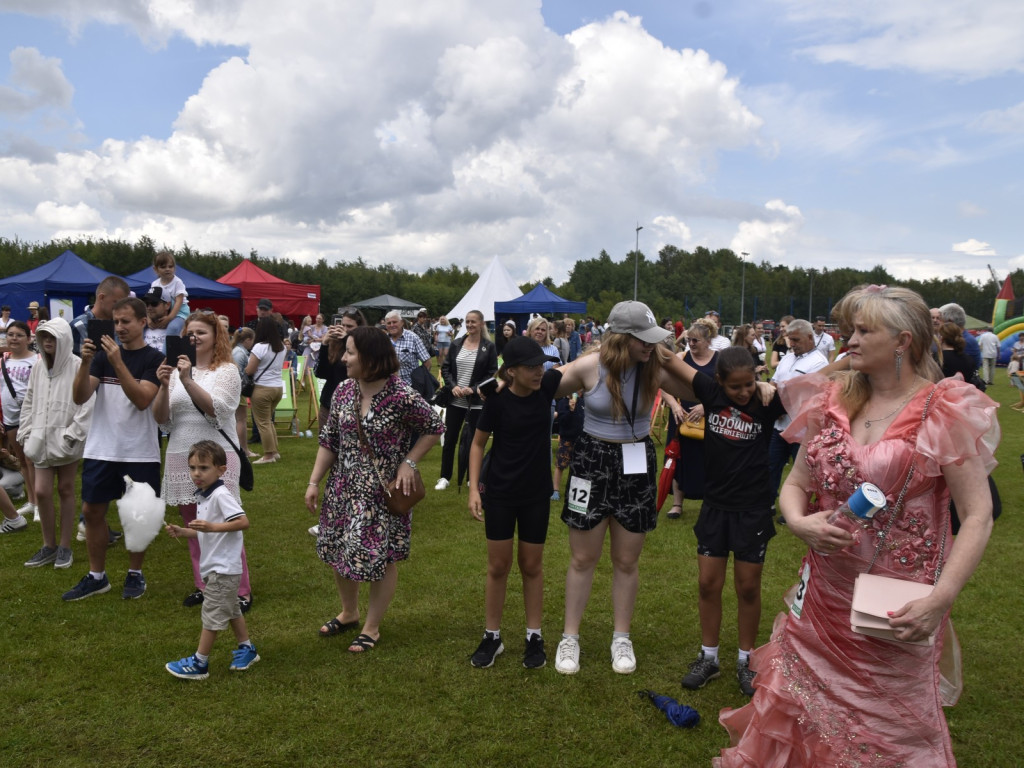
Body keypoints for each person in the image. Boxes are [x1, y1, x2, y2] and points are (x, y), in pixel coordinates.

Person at [714, 285, 998, 767]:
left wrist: (941, 598)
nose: (850, 340)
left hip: (895, 608)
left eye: (865, 331)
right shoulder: (832, 400)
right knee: (799, 713)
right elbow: (795, 482)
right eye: (849, 330)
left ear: (903, 341)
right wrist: (800, 522)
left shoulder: (941, 407)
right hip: (822, 598)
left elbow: (977, 514)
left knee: (888, 734)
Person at [549, 301, 706, 676]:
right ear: (622, 339)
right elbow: (545, 385)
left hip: (636, 464)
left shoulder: (655, 367)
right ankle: (569, 638)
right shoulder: (590, 366)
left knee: (626, 560)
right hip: (590, 462)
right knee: (583, 558)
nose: (650, 346)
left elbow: (703, 390)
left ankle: (622, 637)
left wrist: (675, 363)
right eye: (643, 340)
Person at [304, 326, 443, 653]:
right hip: (343, 486)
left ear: (370, 358)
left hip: (381, 490)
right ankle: (349, 613)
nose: (345, 358)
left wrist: (409, 462)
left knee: (382, 555)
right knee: (339, 549)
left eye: (350, 352)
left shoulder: (401, 394)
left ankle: (372, 627)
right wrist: (313, 481)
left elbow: (434, 427)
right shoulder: (342, 391)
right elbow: (329, 441)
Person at [657, 347, 786, 697]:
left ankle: (746, 660)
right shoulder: (710, 391)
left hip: (753, 509)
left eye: (749, 384)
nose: (743, 392)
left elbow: (819, 383)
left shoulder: (767, 401)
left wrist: (772, 385)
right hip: (716, 507)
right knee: (707, 584)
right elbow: (669, 360)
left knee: (747, 587)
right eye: (735, 387)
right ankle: (709, 658)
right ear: (719, 382)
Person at [466, 336, 562, 669]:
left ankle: (534, 636)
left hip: (536, 493)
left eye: (541, 365)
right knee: (498, 566)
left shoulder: (548, 387)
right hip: (501, 493)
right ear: (513, 371)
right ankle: (492, 636)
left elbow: (579, 367)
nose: (539, 372)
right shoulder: (497, 401)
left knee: (532, 566)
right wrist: (473, 490)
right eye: (532, 367)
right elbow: (477, 445)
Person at [62, 296, 165, 601]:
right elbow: (80, 397)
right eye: (115, 322)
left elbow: (143, 399)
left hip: (139, 449)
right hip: (102, 447)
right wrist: (84, 362)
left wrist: (118, 361)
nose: (119, 327)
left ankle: (135, 573)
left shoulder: (154, 359)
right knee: (91, 510)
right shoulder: (102, 357)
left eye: (125, 322)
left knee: (137, 515)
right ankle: (97, 576)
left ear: (142, 322)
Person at [154, 312, 253, 614]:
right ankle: (204, 585)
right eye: (190, 332)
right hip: (182, 454)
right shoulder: (173, 372)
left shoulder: (226, 370)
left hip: (217, 456)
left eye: (201, 332)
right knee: (193, 524)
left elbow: (218, 411)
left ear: (216, 337)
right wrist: (163, 385)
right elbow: (162, 419)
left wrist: (187, 380)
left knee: (224, 523)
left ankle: (240, 589)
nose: (194, 337)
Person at [164, 440, 259, 679]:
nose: (197, 473)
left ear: (221, 470)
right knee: (231, 609)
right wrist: (184, 531)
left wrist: (211, 526)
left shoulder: (220, 495)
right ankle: (247, 649)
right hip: (216, 567)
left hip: (223, 568)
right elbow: (206, 530)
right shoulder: (204, 496)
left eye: (204, 468)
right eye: (193, 467)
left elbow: (242, 522)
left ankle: (199, 663)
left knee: (212, 614)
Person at [17, 319, 94, 569]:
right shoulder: (39, 367)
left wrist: (73, 433)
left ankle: (64, 547)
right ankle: (48, 545)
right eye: (44, 337)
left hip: (66, 440)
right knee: (40, 491)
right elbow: (29, 399)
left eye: (52, 337)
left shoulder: (76, 365)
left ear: (63, 339)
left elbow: (87, 403)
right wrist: (26, 430)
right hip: (40, 438)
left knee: (66, 489)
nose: (48, 342)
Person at [660, 319, 719, 520]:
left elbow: (724, 390)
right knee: (678, 459)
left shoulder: (719, 360)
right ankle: (677, 504)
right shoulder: (680, 357)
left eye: (696, 340)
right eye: (689, 340)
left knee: (709, 461)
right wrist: (674, 405)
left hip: (709, 419)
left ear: (708, 341)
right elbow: (662, 384)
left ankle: (708, 503)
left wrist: (706, 406)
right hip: (681, 417)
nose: (691, 344)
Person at [767, 320, 829, 508]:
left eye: (796, 339)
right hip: (779, 425)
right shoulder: (787, 358)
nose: (792, 344)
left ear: (810, 338)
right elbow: (774, 384)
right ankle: (766, 504)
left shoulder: (819, 363)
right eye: (790, 339)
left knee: (801, 472)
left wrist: (781, 408)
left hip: (803, 430)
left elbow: (812, 398)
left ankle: (795, 510)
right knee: (770, 466)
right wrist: (770, 405)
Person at [434, 310, 497, 491]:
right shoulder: (456, 344)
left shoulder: (488, 347)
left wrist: (476, 388)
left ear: (481, 324)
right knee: (450, 439)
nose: (470, 325)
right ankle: (445, 476)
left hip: (477, 402)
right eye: (467, 322)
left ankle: (472, 477)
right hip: (455, 400)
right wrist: (453, 385)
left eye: (473, 322)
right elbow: (446, 369)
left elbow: (491, 372)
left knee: (473, 441)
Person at [1, 320, 39, 520]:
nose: (14, 338)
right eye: (10, 334)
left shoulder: (36, 360)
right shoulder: (3, 361)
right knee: (22, 461)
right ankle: (32, 501)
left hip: (31, 417)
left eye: (18, 335)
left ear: (28, 338)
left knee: (32, 460)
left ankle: (40, 504)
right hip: (10, 418)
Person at [245, 316, 286, 464]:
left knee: (262, 422)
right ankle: (274, 452)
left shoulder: (259, 347)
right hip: (277, 387)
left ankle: (268, 455)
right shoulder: (282, 346)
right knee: (268, 421)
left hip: (262, 388)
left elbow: (250, 370)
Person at [69, 276, 131, 356]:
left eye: (123, 304)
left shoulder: (119, 326)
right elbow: (75, 365)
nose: (120, 308)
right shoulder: (79, 326)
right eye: (116, 303)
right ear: (101, 298)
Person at [551, 388, 585, 501]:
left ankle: (575, 493)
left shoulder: (583, 402)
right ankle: (555, 490)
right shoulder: (562, 403)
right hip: (566, 439)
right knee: (560, 465)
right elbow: (562, 421)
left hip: (580, 439)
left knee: (578, 467)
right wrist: (570, 409)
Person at [150, 250, 190, 337]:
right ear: (156, 269)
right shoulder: (155, 284)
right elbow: (150, 303)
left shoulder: (177, 282)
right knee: (140, 324)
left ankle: (167, 350)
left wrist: (169, 318)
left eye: (170, 266)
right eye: (163, 267)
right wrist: (149, 318)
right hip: (164, 313)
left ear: (174, 268)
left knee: (173, 328)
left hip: (179, 313)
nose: (167, 269)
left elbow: (178, 302)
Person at [384, 310, 431, 384]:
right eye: (389, 323)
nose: (392, 325)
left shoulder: (413, 338)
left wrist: (420, 382)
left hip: (410, 386)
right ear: (386, 326)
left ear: (402, 323)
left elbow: (427, 362)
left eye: (394, 322)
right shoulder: (383, 340)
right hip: (388, 386)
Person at [230, 328, 257, 457]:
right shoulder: (240, 353)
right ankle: (243, 449)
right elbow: (238, 374)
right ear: (247, 340)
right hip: (237, 390)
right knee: (241, 420)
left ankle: (241, 448)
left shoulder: (236, 351)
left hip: (236, 389)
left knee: (239, 419)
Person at [939, 302, 981, 370]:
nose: (939, 324)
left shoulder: (965, 342)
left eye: (941, 320)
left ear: (950, 322)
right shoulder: (965, 338)